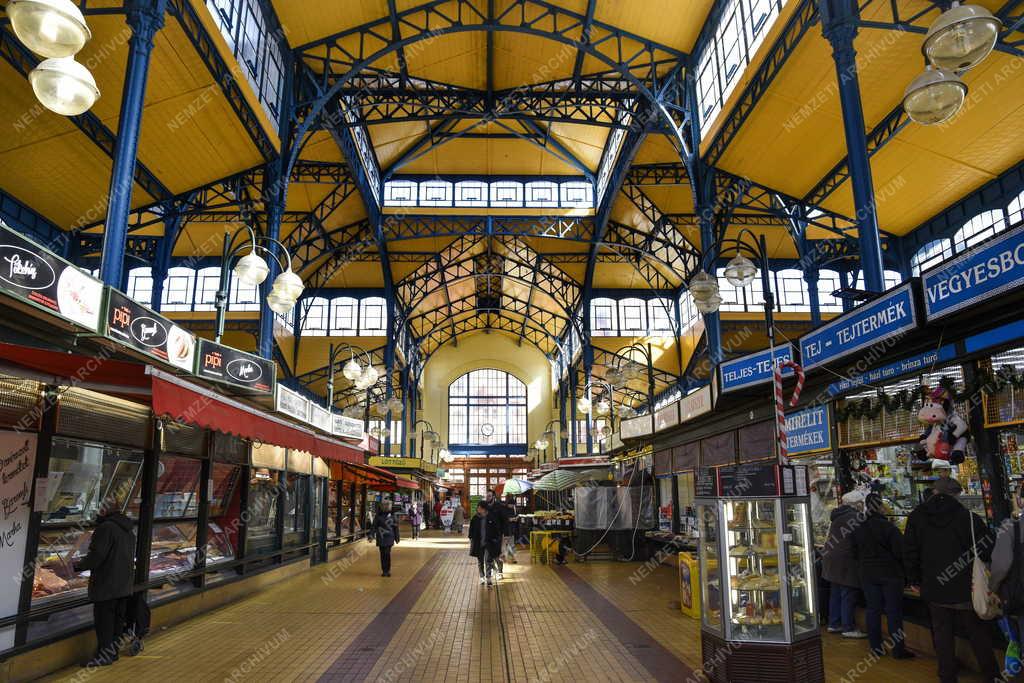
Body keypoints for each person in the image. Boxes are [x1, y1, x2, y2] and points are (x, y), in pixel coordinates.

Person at [904, 477, 998, 683]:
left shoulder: (916, 517)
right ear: (955, 495)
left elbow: (909, 552)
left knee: (942, 634)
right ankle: (992, 675)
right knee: (978, 634)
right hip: (966, 587)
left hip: (934, 588)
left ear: (935, 492)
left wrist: (914, 580)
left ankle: (947, 675)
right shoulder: (969, 518)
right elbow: (987, 549)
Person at [850, 493, 913, 659]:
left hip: (867, 574)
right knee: (894, 612)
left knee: (873, 610)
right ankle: (898, 650)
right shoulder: (889, 527)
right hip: (890, 574)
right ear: (879, 507)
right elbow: (900, 552)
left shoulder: (857, 527)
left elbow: (853, 552)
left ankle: (876, 648)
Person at [73, 499, 135, 667]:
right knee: (116, 623)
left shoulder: (106, 528)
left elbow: (97, 556)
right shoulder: (128, 529)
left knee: (104, 623)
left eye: (100, 508)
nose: (98, 511)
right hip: (124, 585)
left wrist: (77, 566)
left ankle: (103, 656)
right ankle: (112, 654)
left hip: (107, 585)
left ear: (105, 510)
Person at [821, 490, 868, 638]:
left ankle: (834, 623)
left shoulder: (838, 516)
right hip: (845, 561)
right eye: (861, 503)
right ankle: (848, 627)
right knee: (848, 592)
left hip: (830, 558)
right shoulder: (856, 517)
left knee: (836, 592)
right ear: (856, 504)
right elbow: (861, 540)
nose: (862, 505)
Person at [469, 501, 502, 587]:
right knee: (480, 561)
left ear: (484, 509)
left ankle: (488, 578)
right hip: (478, 543)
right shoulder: (475, 518)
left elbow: (496, 529)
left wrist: (496, 539)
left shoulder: (491, 517)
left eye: (479, 508)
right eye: (478, 508)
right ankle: (482, 577)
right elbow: (471, 530)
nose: (478, 509)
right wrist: (471, 538)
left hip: (489, 543)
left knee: (488, 560)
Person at [372, 500, 400, 577]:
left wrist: (397, 537)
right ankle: (384, 570)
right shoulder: (378, 515)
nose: (388, 506)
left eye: (388, 505)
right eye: (386, 505)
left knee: (387, 553)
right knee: (382, 554)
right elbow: (374, 526)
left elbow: (396, 527)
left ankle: (387, 570)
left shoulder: (392, 515)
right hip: (381, 537)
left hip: (389, 537)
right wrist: (371, 535)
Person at [502, 495, 518, 564]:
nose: (512, 506)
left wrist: (516, 518)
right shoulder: (504, 509)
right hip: (505, 529)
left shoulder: (513, 509)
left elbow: (514, 516)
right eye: (512, 505)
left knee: (511, 544)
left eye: (513, 505)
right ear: (508, 504)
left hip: (512, 528)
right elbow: (504, 519)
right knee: (506, 544)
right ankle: (505, 557)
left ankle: (513, 557)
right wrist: (510, 519)